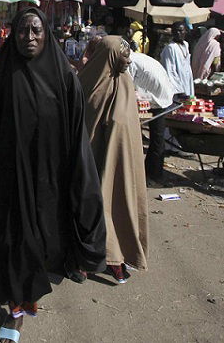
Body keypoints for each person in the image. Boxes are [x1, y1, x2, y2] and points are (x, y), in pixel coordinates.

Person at [0, 8, 106, 343]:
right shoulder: (0, 75)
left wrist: (78, 179)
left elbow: (76, 136)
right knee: (14, 248)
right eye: (22, 32)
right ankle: (16, 313)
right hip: (8, 183)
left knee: (43, 246)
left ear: (47, 35)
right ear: (12, 35)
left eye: (36, 31)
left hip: (50, 184)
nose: (29, 38)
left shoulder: (64, 78)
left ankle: (43, 280)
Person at [80, 35, 148, 285]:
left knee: (106, 206)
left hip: (109, 160)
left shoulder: (106, 82)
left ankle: (109, 259)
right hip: (103, 160)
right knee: (102, 206)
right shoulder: (106, 82)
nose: (128, 59)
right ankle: (100, 261)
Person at [128, 51, 176, 184]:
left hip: (158, 98)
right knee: (156, 137)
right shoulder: (137, 57)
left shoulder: (130, 62)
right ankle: (149, 172)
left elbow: (127, 86)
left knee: (157, 138)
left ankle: (154, 175)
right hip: (157, 94)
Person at [160, 22, 194, 98]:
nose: (178, 33)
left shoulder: (186, 45)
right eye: (176, 31)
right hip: (177, 88)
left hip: (187, 82)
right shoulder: (170, 48)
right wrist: (179, 90)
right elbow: (170, 70)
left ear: (185, 31)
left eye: (181, 30)